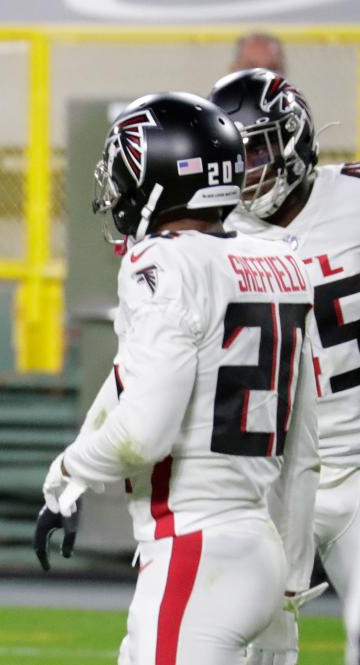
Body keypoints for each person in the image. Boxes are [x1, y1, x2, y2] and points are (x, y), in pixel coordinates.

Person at [38, 92, 319, 665]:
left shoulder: (163, 264)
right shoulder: (281, 259)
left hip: (195, 550)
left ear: (159, 177)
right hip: (259, 548)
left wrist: (71, 468)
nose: (117, 186)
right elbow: (303, 452)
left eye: (125, 169)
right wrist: (288, 584)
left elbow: (143, 433)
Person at [211, 67, 360, 664]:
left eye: (259, 148)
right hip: (267, 478)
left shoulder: (351, 196)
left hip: (358, 465)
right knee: (251, 646)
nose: (249, 169)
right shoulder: (214, 233)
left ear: (294, 138)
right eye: (236, 155)